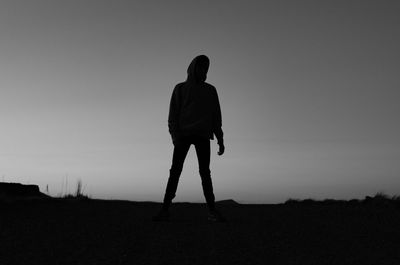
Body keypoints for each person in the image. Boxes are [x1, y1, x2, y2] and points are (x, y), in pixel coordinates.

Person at [152, 55, 226, 222]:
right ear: (194, 67)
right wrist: (175, 137)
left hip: (203, 136)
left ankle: (212, 211)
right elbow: (173, 116)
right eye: (201, 67)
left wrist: (220, 139)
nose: (204, 70)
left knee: (205, 173)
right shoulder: (180, 89)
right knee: (175, 172)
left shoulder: (210, 90)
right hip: (183, 136)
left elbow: (216, 118)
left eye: (206, 67)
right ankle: (165, 209)